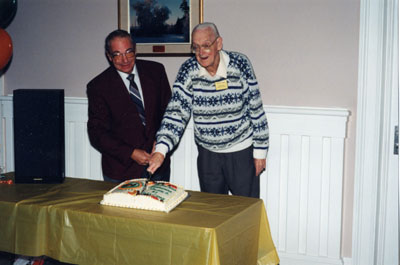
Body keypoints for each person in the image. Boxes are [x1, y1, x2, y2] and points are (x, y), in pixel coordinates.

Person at [148, 22, 269, 198]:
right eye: (195, 47)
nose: (200, 53)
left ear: (218, 44)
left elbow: (256, 109)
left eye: (206, 46)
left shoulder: (240, 64)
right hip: (208, 155)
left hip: (241, 151)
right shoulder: (188, 70)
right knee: (213, 211)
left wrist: (260, 151)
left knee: (246, 210)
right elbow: (176, 114)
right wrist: (160, 150)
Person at [87, 29, 171, 183]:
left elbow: (169, 113)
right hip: (121, 171)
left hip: (158, 166)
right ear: (109, 56)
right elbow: (97, 134)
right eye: (117, 54)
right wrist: (131, 153)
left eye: (128, 52)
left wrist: (160, 142)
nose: (124, 59)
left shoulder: (156, 71)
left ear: (135, 51)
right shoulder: (98, 86)